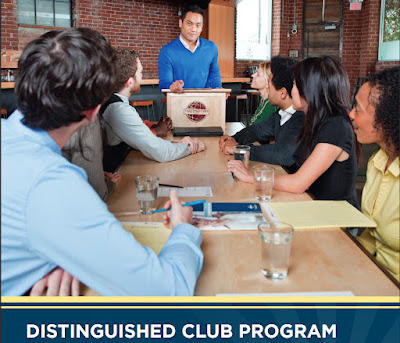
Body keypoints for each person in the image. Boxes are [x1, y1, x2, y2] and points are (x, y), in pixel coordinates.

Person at [1, 28, 203, 296]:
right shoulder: (53, 184)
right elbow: (170, 291)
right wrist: (183, 229)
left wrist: (61, 253)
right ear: (94, 110)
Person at [228, 56, 359, 209]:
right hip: (311, 205)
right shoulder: (314, 120)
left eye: (295, 85)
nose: (292, 90)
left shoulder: (336, 126)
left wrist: (252, 176)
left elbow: (298, 183)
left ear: (309, 90)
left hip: (337, 219)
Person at [102, 49, 206, 168]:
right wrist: (191, 147)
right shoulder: (118, 110)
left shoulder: (112, 101)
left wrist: (177, 144)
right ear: (130, 82)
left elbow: (149, 143)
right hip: (117, 176)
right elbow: (161, 152)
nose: (142, 77)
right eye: (140, 73)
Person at [349, 67, 399, 282]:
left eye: (358, 110)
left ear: (387, 119)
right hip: (373, 276)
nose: (351, 114)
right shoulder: (377, 161)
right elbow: (372, 236)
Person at [220, 56, 305, 169]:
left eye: (269, 87)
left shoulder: (301, 118)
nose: (267, 91)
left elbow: (283, 154)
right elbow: (256, 130)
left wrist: (240, 148)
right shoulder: (281, 114)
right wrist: (233, 139)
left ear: (282, 93)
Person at [158, 5, 222, 93]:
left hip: (204, 103)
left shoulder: (211, 48)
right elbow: (164, 83)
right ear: (180, 23)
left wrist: (219, 90)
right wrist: (172, 86)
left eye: (198, 25)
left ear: (202, 27)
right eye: (189, 23)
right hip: (179, 102)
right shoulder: (167, 51)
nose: (193, 29)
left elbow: (214, 75)